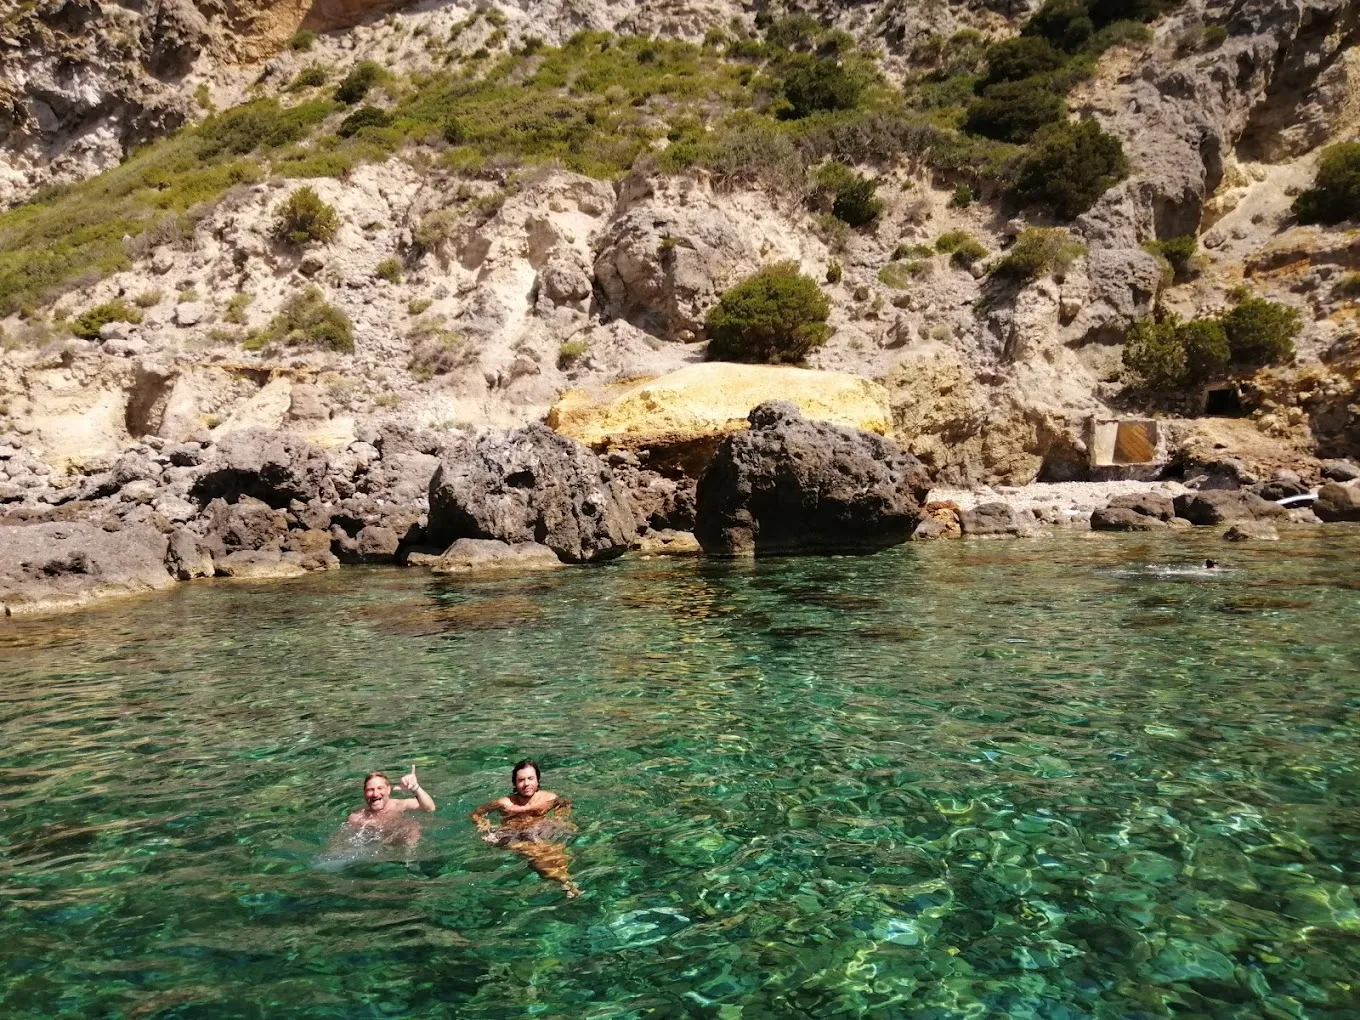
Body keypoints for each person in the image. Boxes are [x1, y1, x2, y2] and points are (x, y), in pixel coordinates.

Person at [471, 759, 580, 897]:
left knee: (556, 854)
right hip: (513, 835)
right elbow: (476, 813)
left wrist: (561, 819)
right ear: (514, 783)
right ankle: (567, 882)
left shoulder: (549, 798)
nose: (526, 783)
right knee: (537, 855)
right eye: (521, 780)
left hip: (539, 832)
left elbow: (565, 804)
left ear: (538, 780)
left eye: (530, 778)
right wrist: (485, 827)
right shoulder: (505, 803)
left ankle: (565, 882)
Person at [346, 766, 436, 845]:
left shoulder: (401, 805)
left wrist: (415, 788)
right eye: (370, 790)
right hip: (379, 851)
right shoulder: (357, 818)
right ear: (364, 793)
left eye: (380, 788)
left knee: (412, 826)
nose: (375, 794)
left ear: (388, 790)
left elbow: (430, 808)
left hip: (406, 847)